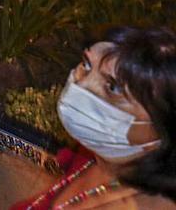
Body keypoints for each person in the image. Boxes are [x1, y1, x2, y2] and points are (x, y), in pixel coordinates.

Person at [13, 26, 175, 209]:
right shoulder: (96, 156)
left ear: (161, 130)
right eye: (87, 64)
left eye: (114, 88)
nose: (82, 84)